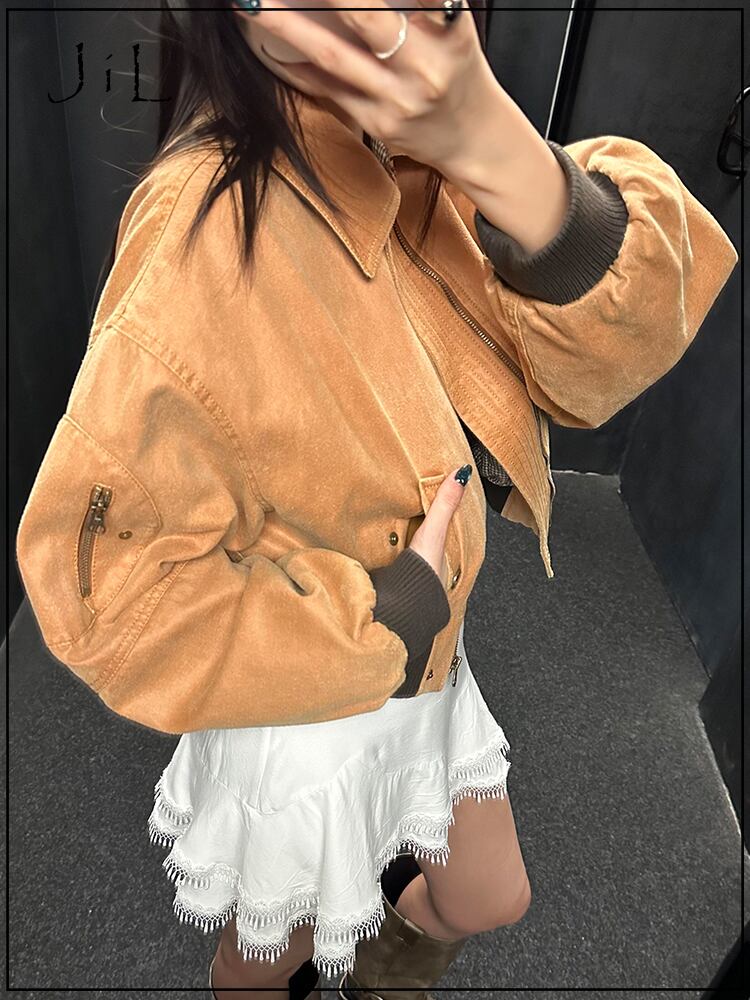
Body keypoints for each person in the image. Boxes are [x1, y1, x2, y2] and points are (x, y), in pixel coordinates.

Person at [14, 2, 738, 998]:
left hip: (428, 661)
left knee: (487, 896)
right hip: (308, 699)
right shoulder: (204, 229)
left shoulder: (409, 164)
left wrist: (504, 158)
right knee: (268, 954)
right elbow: (103, 586)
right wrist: (383, 617)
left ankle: (377, 981)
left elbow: (606, 360)